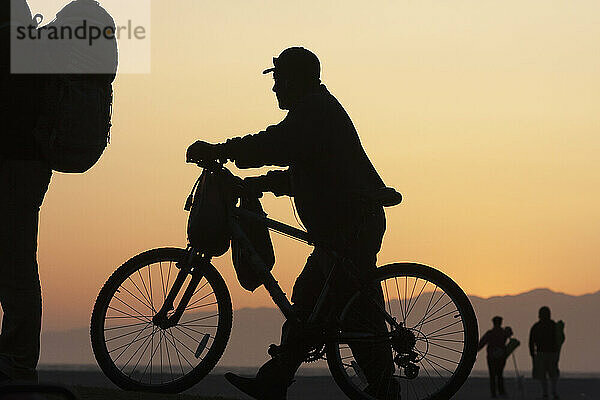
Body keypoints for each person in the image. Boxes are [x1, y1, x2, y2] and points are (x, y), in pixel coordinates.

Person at [187, 47, 395, 400]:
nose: (275, 89)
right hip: (343, 226)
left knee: (351, 311)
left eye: (279, 80)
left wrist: (222, 150)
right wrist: (258, 185)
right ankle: (276, 379)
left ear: (296, 79)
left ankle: (382, 389)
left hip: (352, 226)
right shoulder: (314, 110)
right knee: (310, 308)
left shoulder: (313, 111)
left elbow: (276, 144)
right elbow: (303, 172)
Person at [0, 0, 52, 384]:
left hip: (15, 165)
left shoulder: (14, 45)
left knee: (15, 262)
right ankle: (15, 360)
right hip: (28, 166)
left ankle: (16, 363)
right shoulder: (31, 44)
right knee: (16, 259)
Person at [529, 306, 562, 400]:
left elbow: (531, 341)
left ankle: (546, 393)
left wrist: (532, 354)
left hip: (542, 353)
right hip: (551, 353)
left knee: (543, 374)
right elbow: (560, 339)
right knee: (553, 374)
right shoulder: (554, 325)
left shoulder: (536, 326)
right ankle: (553, 392)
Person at [477, 316, 513, 398]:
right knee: (500, 374)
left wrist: (475, 352)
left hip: (491, 357)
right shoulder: (503, 332)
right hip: (501, 356)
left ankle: (493, 393)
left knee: (492, 375)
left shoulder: (490, 333)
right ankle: (501, 391)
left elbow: (481, 343)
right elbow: (510, 334)